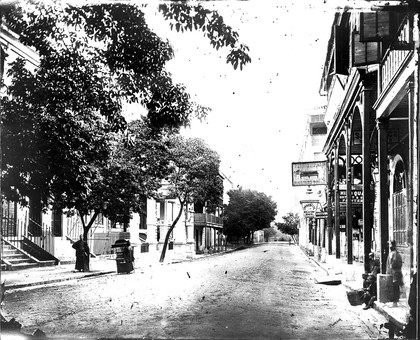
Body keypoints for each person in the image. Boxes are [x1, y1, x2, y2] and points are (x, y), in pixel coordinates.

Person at [386, 240, 403, 306]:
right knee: (394, 287)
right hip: (392, 273)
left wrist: (391, 267)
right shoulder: (392, 253)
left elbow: (394, 264)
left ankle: (395, 302)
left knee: (395, 287)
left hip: (395, 273)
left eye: (390, 245)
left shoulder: (394, 254)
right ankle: (394, 301)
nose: (389, 246)